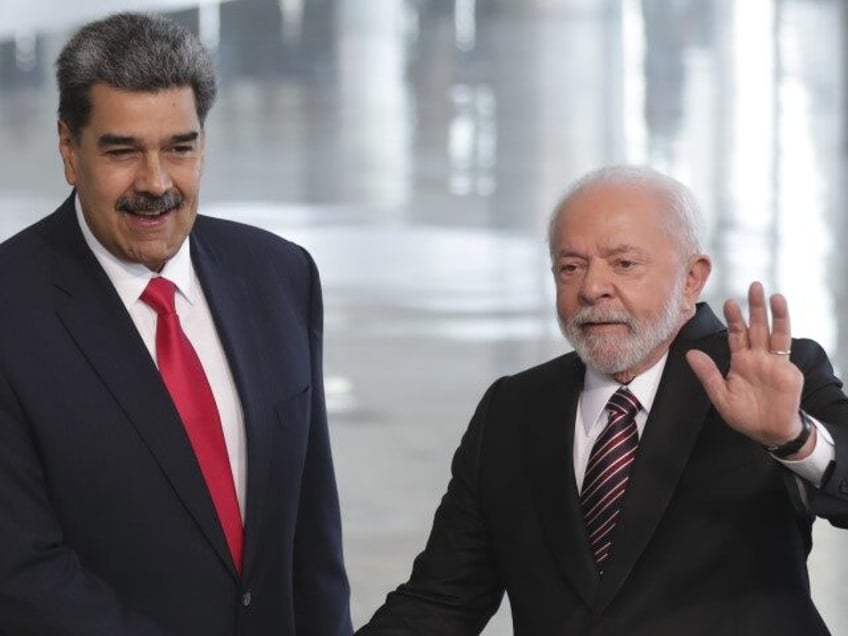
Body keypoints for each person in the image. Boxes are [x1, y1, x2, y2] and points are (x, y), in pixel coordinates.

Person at [356, 165, 848, 635]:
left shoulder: (771, 375)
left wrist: (794, 440)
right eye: (570, 267)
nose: (592, 288)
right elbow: (442, 602)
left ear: (692, 277)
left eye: (624, 264)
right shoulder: (514, 408)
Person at [0, 12, 351, 635]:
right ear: (68, 150)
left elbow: (311, 539)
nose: (156, 183)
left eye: (179, 148)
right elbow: (22, 573)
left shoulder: (279, 275)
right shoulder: (12, 308)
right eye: (122, 151)